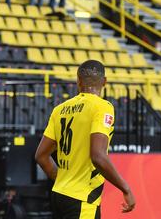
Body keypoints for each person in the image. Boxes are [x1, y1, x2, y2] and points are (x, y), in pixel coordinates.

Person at [35, 60, 136, 218]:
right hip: (82, 198)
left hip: (59, 194)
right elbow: (98, 156)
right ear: (104, 82)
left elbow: (41, 156)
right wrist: (126, 189)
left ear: (78, 81)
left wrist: (62, 179)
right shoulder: (102, 107)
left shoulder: (60, 109)